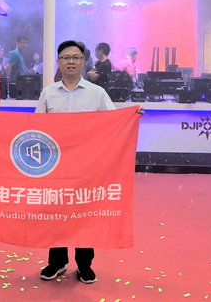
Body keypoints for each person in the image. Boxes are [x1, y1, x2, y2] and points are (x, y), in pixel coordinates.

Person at [36, 40, 143, 284]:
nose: (71, 62)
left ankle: (85, 265)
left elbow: (114, 121)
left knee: (85, 214)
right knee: (56, 214)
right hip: (56, 166)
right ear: (58, 62)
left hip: (88, 166)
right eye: (65, 57)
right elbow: (38, 128)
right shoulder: (48, 93)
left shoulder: (97, 93)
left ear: (84, 62)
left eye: (75, 57)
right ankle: (57, 262)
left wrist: (131, 116)